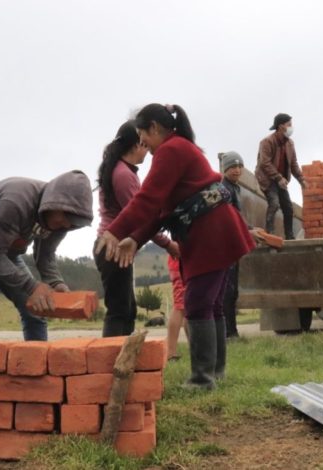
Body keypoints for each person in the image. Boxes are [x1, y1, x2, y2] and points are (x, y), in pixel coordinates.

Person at [96, 103, 255, 390]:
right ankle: (214, 373)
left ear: (154, 128)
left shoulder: (171, 150)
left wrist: (115, 231)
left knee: (197, 304)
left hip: (211, 233)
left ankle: (202, 379)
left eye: (144, 135)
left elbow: (147, 200)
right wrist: (136, 238)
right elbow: (161, 211)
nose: (143, 143)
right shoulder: (178, 148)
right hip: (215, 230)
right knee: (212, 304)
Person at [0, 171, 93, 409]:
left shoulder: (64, 220)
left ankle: (37, 374)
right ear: (53, 203)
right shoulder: (16, 201)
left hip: (3, 249)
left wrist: (56, 285)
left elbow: (45, 256)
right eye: (66, 218)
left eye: (74, 223)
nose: (67, 225)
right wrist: (32, 286)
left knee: (36, 308)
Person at [95, 121, 179, 337]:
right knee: (119, 311)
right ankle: (112, 362)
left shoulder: (121, 171)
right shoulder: (123, 175)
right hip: (115, 248)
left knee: (126, 309)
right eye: (143, 142)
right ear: (135, 145)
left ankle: (122, 360)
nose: (147, 149)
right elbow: (143, 218)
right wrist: (168, 244)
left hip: (116, 248)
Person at [255, 113, 307, 240]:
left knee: (288, 208)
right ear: (280, 126)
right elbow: (264, 163)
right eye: (289, 125)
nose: (291, 128)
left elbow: (293, 164)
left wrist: (301, 179)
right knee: (274, 203)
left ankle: (290, 237)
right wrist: (278, 178)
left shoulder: (290, 144)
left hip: (281, 181)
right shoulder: (267, 142)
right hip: (267, 179)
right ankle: (270, 234)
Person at [220, 151, 249, 338]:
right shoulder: (224, 189)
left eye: (239, 167)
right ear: (225, 169)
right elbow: (229, 218)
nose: (237, 170)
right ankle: (229, 333)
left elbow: (238, 216)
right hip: (225, 247)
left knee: (233, 291)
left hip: (233, 246)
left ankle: (232, 331)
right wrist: (247, 230)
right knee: (227, 292)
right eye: (232, 167)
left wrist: (250, 228)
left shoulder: (235, 188)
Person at [166, 255, 188, 360]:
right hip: (181, 263)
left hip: (180, 263)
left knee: (187, 309)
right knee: (180, 307)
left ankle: (194, 347)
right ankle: (171, 352)